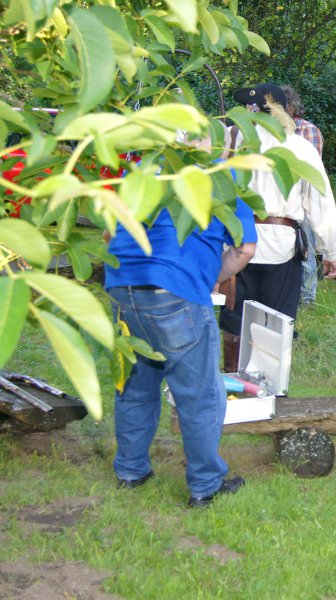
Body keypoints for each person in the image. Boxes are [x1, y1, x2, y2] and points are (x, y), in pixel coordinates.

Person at [104, 136, 258, 508]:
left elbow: (109, 234)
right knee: (200, 394)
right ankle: (206, 484)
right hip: (176, 293)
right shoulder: (222, 181)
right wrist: (210, 280)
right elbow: (245, 248)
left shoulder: (141, 173)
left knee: (135, 383)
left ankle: (130, 469)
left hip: (122, 287)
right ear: (219, 149)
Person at [219, 83, 336, 349]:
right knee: (276, 325)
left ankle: (236, 386)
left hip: (237, 244)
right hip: (280, 247)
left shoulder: (231, 140)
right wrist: (330, 251)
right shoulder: (299, 147)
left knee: (236, 325)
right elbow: (321, 203)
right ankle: (270, 386)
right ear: (282, 111)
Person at [281, 84, 324, 309]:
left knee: (305, 249)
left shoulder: (309, 131)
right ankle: (291, 294)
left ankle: (307, 297)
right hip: (282, 199)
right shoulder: (275, 134)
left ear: (290, 107)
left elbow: (311, 171)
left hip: (304, 198)